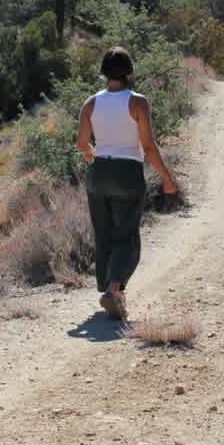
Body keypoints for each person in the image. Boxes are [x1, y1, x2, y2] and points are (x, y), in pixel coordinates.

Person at [76, 46, 178, 320]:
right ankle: (114, 290)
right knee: (127, 234)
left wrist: (94, 158)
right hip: (127, 172)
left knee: (104, 233)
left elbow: (81, 143)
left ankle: (110, 287)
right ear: (129, 72)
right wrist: (167, 178)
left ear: (104, 73)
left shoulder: (91, 102)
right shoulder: (138, 102)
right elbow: (148, 146)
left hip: (98, 172)